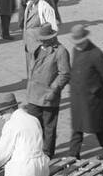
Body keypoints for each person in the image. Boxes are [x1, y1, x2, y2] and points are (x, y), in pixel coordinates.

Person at [68, 24, 103, 159]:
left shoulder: (96, 54)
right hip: (78, 97)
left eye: (79, 43)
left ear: (85, 40)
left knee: (98, 126)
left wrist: (96, 90)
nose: (77, 45)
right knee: (77, 127)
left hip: (93, 100)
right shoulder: (75, 50)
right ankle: (73, 155)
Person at [26, 24, 71, 158]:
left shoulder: (61, 51)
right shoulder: (37, 47)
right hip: (33, 95)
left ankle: (47, 155)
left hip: (48, 96)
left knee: (49, 128)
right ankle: (35, 152)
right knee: (34, 126)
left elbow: (65, 74)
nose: (42, 41)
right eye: (41, 39)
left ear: (52, 38)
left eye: (44, 39)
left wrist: (54, 90)